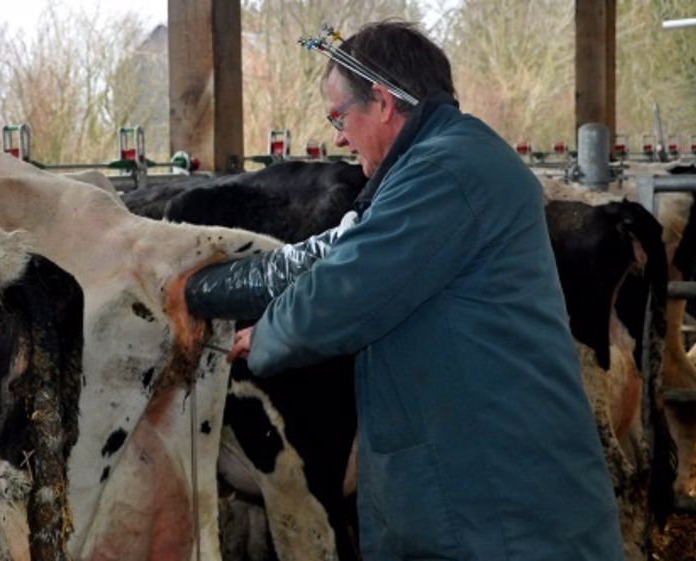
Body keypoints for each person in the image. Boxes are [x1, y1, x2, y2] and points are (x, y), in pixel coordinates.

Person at [185, 20, 623, 561]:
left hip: (497, 505)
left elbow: (347, 289)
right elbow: (335, 252)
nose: (338, 137)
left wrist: (266, 333)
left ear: (385, 103)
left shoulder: (446, 173)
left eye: (339, 117)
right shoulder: (446, 160)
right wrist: (213, 286)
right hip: (492, 481)